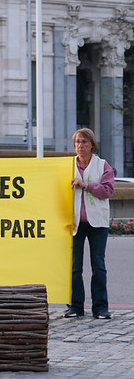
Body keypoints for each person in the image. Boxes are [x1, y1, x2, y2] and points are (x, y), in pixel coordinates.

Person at [65, 128, 115, 319]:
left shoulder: (102, 165)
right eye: (77, 142)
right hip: (75, 222)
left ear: (92, 145)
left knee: (98, 265)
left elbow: (107, 190)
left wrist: (87, 186)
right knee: (74, 266)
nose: (80, 146)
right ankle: (75, 306)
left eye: (84, 142)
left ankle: (100, 308)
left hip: (97, 222)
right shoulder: (69, 165)